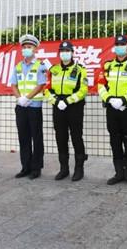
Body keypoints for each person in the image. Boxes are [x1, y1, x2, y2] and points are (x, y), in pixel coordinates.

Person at [97, 34, 127, 186]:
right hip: (112, 109)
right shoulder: (107, 65)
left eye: (122, 44)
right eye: (117, 45)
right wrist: (109, 99)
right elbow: (100, 85)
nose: (119, 47)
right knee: (115, 140)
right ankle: (118, 173)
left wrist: (124, 100)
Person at [44, 40, 88, 182]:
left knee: (76, 137)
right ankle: (64, 168)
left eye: (67, 51)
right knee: (61, 137)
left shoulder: (80, 69)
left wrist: (68, 101)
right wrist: (56, 101)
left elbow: (83, 90)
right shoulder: (54, 70)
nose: (65, 53)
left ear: (72, 53)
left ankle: (79, 168)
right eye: (62, 51)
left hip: (74, 107)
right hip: (58, 107)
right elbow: (47, 89)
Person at [10, 34, 47, 179]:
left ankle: (36, 168)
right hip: (21, 106)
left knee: (36, 138)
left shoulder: (40, 66)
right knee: (23, 137)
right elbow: (13, 85)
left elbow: (41, 84)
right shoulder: (18, 66)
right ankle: (25, 167)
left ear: (35, 49)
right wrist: (20, 98)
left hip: (34, 106)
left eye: (29, 47)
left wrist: (27, 98)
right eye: (24, 47)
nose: (26, 49)